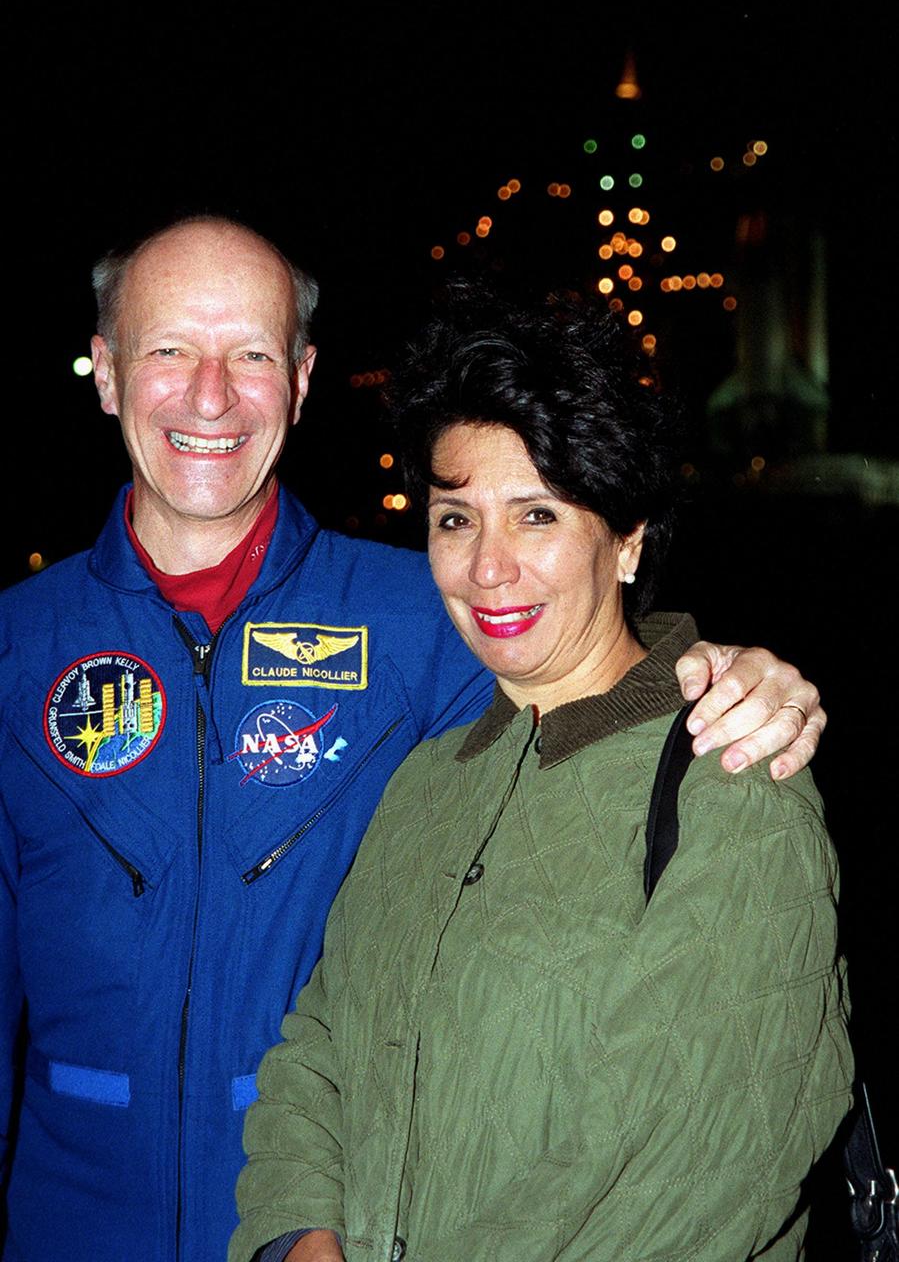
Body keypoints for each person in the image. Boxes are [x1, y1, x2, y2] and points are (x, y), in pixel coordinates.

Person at [0, 219, 826, 1262]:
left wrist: (744, 674)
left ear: (300, 379)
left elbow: (591, 665)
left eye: (250, 352)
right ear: (107, 372)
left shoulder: (417, 622)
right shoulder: (14, 647)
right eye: (167, 348)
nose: (209, 395)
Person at [231, 287, 852, 1262]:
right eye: (453, 517)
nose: (487, 566)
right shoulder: (428, 780)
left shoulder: (730, 776)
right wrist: (302, 1237)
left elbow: (687, 1171)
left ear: (627, 535)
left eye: (535, 513)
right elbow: (319, 1045)